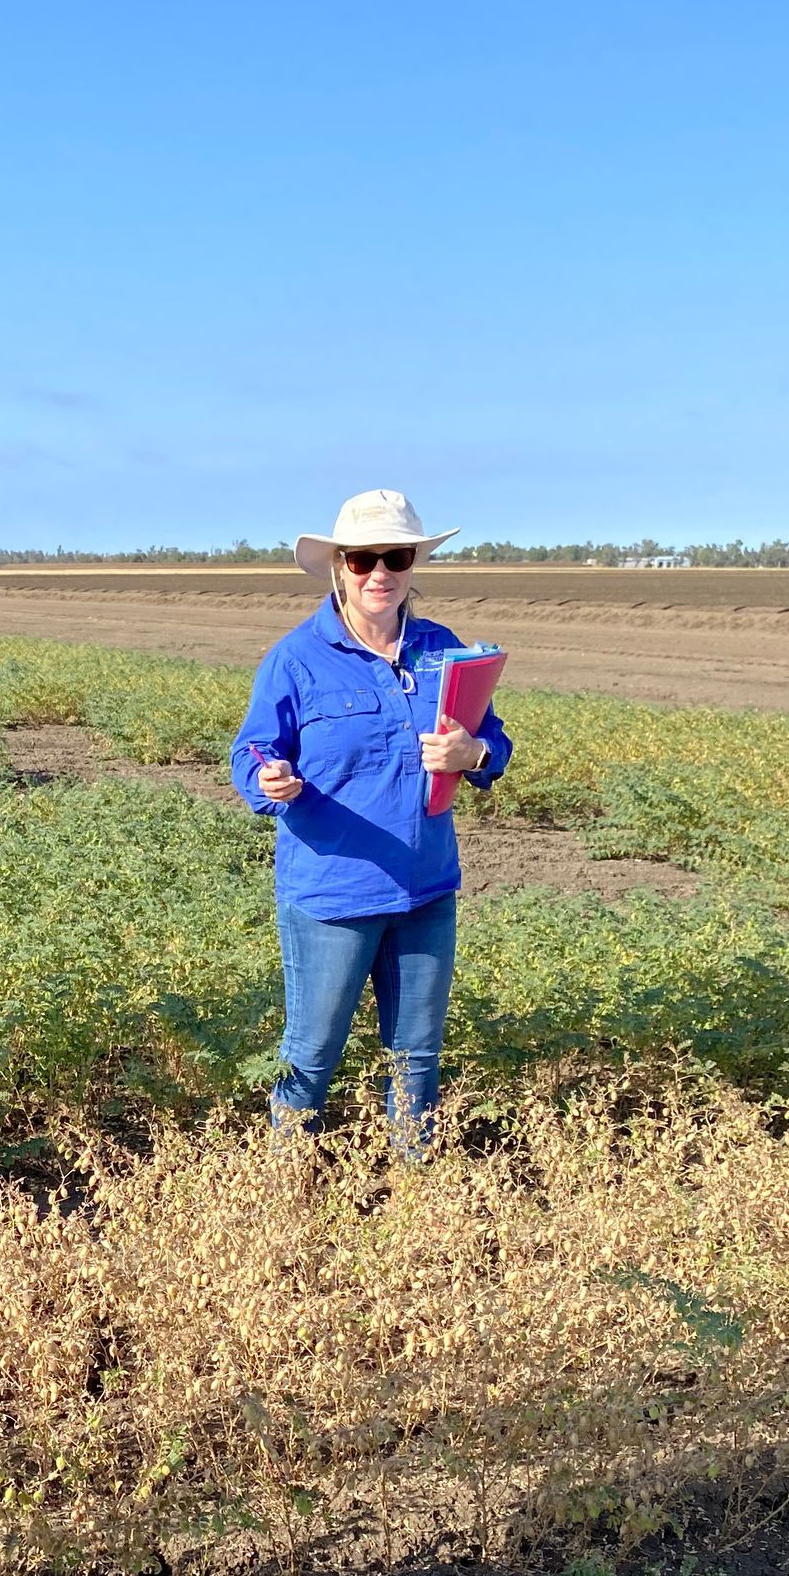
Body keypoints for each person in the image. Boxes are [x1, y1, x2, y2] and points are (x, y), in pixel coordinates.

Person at [230, 490, 513, 1146]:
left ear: (414, 564)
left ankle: (416, 1191)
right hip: (332, 895)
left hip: (426, 889)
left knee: (416, 1058)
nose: (379, 572)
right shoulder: (296, 659)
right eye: (363, 558)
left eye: (397, 555)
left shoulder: (445, 652)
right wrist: (270, 778)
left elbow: (492, 743)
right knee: (311, 1054)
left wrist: (475, 752)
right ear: (339, 566)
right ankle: (283, 1189)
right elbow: (251, 754)